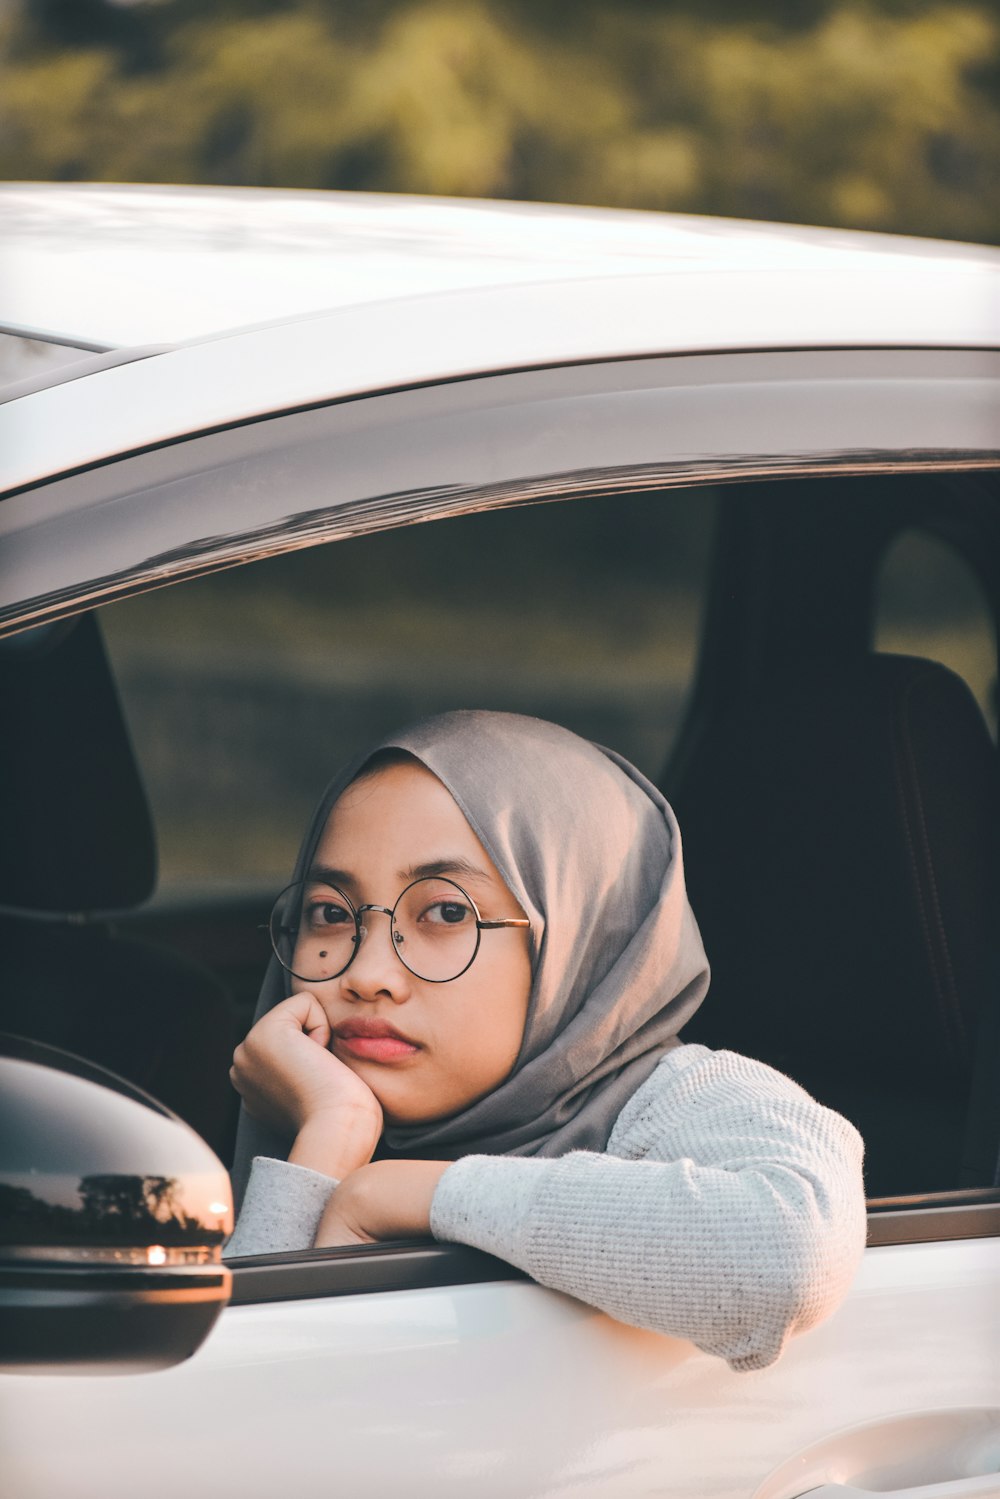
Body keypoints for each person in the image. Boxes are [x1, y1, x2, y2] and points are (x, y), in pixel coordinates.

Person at [227, 710, 866, 1372]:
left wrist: (407, 1195)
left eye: (447, 912)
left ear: (579, 933)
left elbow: (785, 1254)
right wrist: (332, 1133)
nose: (366, 974)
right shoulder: (312, 1106)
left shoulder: (682, 1102)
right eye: (330, 912)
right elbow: (238, 1414)